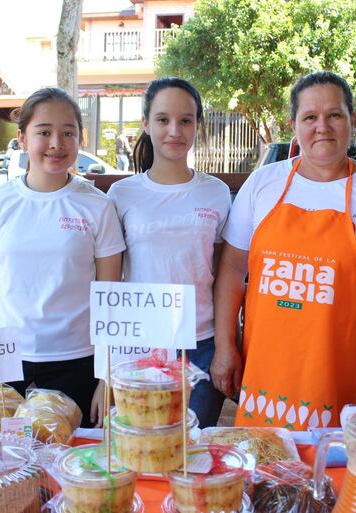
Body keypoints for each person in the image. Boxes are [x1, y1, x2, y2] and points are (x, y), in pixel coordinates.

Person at [211, 71, 356, 429]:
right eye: (310, 117)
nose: (322, 127)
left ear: (352, 120)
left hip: (346, 368)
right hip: (267, 367)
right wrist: (224, 346)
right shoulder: (263, 184)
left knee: (338, 475)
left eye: (335, 115)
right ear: (294, 124)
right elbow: (233, 268)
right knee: (267, 472)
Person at [0, 88, 126, 428]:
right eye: (44, 132)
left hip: (78, 359)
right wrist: (13, 332)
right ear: (23, 138)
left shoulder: (97, 205)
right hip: (6, 359)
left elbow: (111, 296)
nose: (57, 143)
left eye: (68, 132)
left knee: (71, 462)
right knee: (1, 462)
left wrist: (105, 377)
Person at [107, 77, 231, 428]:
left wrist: (225, 347)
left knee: (192, 455)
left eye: (185, 120)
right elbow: (110, 281)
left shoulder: (216, 193)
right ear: (145, 123)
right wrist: (108, 362)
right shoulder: (122, 194)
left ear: (197, 126)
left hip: (200, 345)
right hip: (137, 348)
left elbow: (223, 276)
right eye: (162, 120)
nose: (174, 130)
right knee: (143, 453)